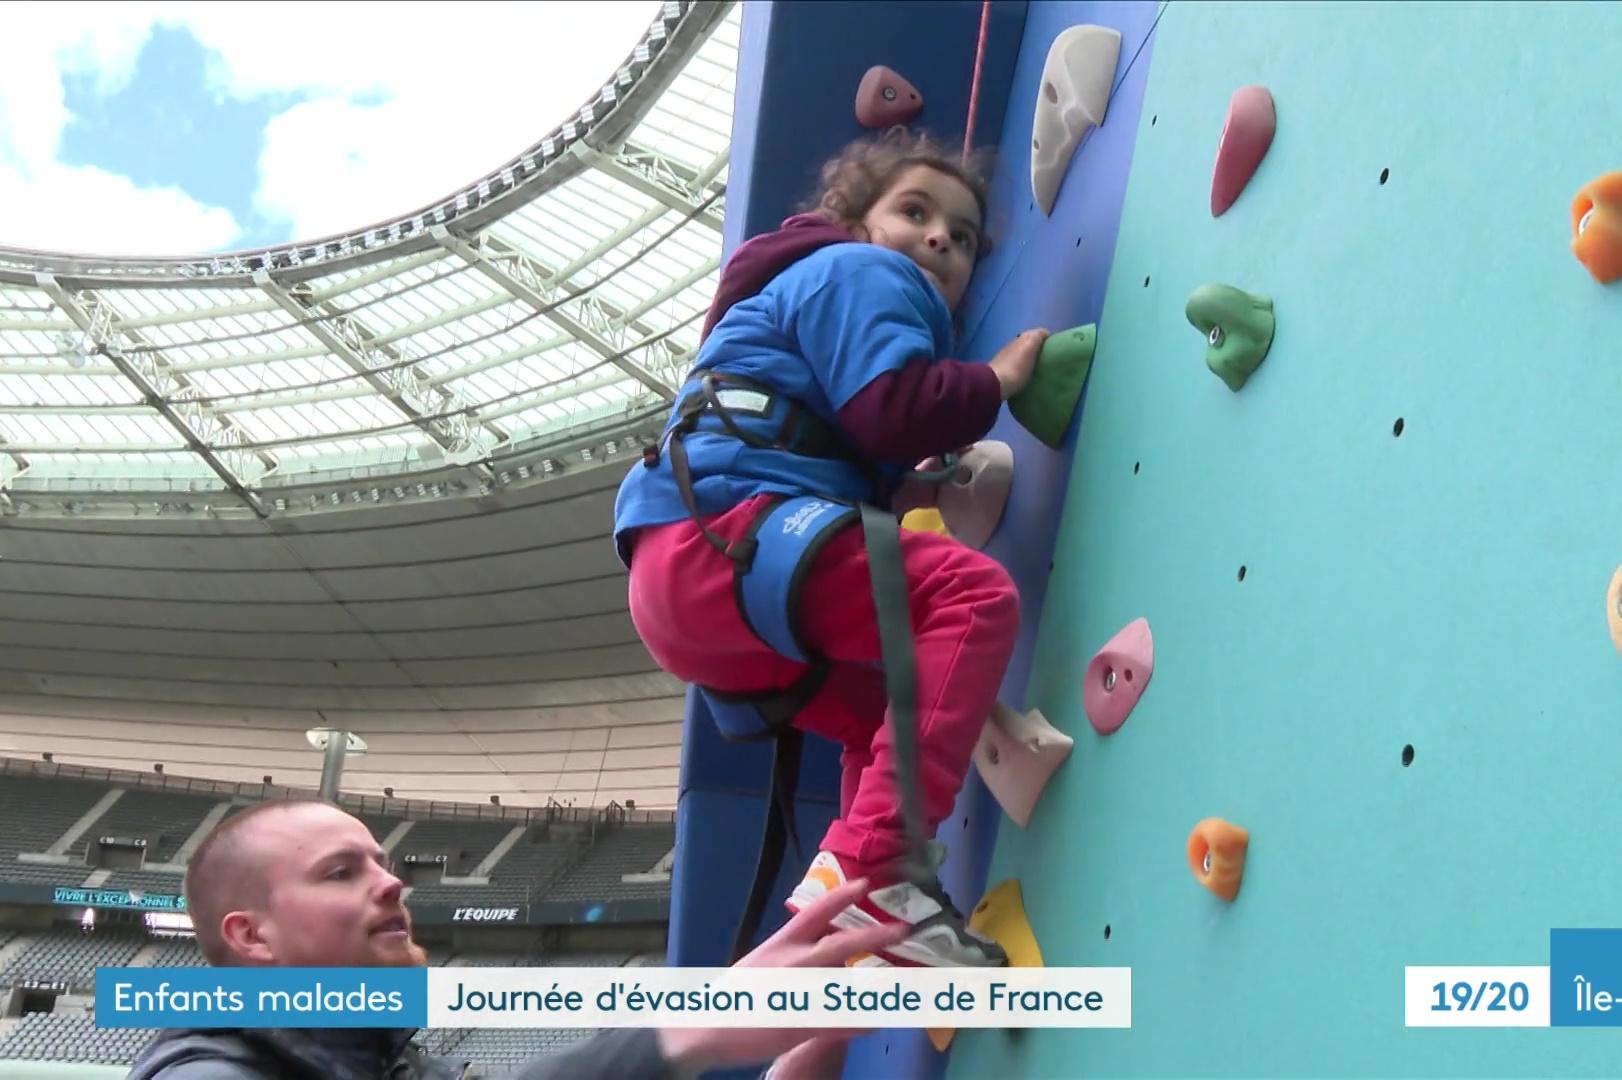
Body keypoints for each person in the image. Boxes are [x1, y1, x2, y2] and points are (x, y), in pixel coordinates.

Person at [612, 128, 1048, 969]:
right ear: (851, 220)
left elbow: (853, 432)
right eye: (914, 212)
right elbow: (892, 408)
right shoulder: (859, 269)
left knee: (885, 703)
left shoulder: (792, 305)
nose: (938, 241)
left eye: (961, 238)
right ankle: (878, 866)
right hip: (732, 542)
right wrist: (993, 380)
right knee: (971, 598)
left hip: (690, 581)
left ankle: (868, 922)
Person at [124, 798, 910, 1079]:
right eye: (339, 873)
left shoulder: (396, 1059)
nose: (392, 882)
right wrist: (682, 1032)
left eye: (382, 862)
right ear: (249, 937)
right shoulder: (200, 1069)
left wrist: (802, 1048)